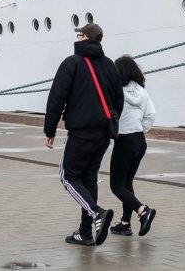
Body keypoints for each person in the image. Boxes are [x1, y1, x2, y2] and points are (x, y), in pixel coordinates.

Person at [43, 22, 121, 248]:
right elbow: (118, 101)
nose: (77, 38)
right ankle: (85, 232)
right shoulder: (109, 65)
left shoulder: (72, 63)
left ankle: (97, 213)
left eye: (79, 34)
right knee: (88, 178)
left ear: (85, 37)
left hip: (81, 132)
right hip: (103, 134)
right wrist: (110, 122)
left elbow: (57, 97)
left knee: (67, 176)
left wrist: (50, 129)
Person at [108, 55, 157, 238]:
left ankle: (143, 211)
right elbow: (151, 115)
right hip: (139, 141)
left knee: (116, 186)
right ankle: (125, 223)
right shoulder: (142, 92)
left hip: (124, 140)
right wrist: (140, 129)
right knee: (127, 183)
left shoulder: (116, 92)